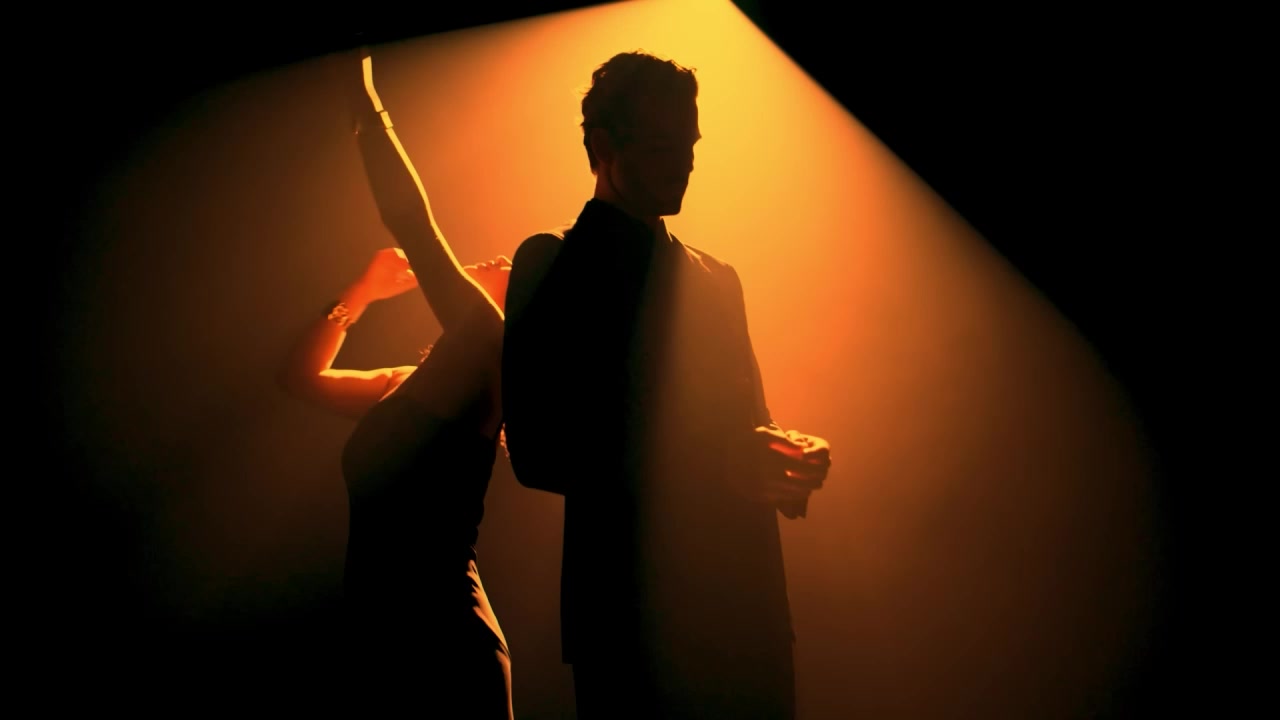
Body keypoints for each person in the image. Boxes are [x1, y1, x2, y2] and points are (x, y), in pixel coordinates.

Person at [501, 51, 833, 719]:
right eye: (662, 146)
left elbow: (751, 423)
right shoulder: (553, 260)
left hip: (745, 607)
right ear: (602, 147)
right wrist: (727, 462)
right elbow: (536, 454)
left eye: (690, 145)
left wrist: (788, 459)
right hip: (634, 618)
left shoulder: (719, 276)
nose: (684, 163)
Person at [277, 49, 514, 717]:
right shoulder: (407, 383)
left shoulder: (490, 346)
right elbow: (299, 379)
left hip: (444, 646)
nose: (499, 254)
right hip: (385, 643)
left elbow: (412, 219)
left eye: (513, 264)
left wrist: (363, 96)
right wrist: (362, 291)